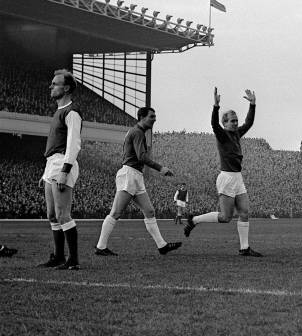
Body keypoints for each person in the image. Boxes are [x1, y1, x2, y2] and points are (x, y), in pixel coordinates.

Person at [183, 87, 262, 257]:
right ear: (225, 123)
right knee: (226, 217)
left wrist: (253, 105)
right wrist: (216, 106)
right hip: (226, 178)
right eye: (232, 121)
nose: (235, 123)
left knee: (245, 212)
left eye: (235, 120)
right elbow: (214, 124)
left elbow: (248, 123)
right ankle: (194, 220)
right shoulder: (223, 135)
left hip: (237, 178)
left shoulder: (237, 133)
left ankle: (244, 248)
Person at [94, 107, 182, 256]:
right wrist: (160, 168)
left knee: (149, 211)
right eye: (151, 116)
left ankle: (162, 246)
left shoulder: (136, 132)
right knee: (116, 212)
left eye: (155, 116)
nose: (154, 119)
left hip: (135, 175)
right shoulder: (138, 132)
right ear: (141, 117)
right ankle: (101, 247)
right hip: (129, 174)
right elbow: (141, 157)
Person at [37, 69, 82, 270]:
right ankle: (58, 256)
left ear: (66, 88)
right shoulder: (58, 112)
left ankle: (73, 260)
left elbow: (74, 145)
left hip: (62, 163)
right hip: (51, 165)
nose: (51, 86)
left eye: (55, 84)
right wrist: (45, 173)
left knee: (63, 214)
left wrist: (64, 170)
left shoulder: (71, 113)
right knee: (52, 215)